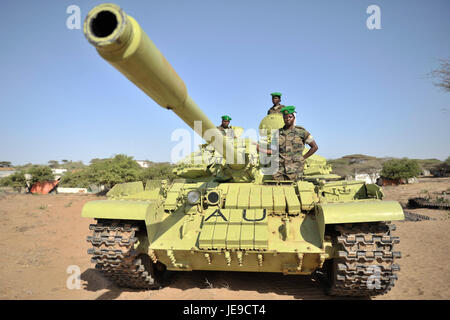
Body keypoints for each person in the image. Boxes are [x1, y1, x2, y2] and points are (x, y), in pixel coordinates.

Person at [257, 106, 318, 181]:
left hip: (295, 170)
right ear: (283, 119)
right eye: (285, 117)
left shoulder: (302, 132)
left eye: (290, 117)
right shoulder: (277, 133)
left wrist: (303, 158)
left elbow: (314, 147)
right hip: (279, 171)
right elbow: (274, 151)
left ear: (294, 118)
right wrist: (260, 149)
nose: (288, 119)